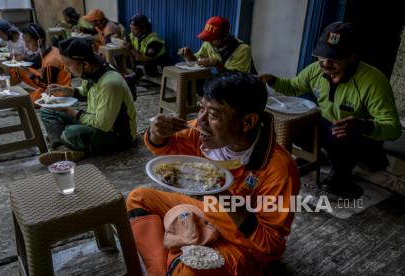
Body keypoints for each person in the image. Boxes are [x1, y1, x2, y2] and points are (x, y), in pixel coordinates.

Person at [127, 73, 300, 275]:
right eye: (202, 108)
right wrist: (157, 134)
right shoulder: (201, 133)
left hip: (243, 245)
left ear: (247, 122)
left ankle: (174, 265)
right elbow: (164, 147)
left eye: (214, 115)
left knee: (189, 272)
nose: (200, 121)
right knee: (138, 198)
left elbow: (270, 244)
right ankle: (162, 270)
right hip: (207, 211)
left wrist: (222, 195)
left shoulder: (279, 169)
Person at [258, 22, 401, 199]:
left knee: (339, 135)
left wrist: (363, 126)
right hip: (327, 124)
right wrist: (270, 79)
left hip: (360, 135)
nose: (325, 62)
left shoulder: (374, 81)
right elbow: (293, 86)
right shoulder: (315, 70)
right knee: (297, 126)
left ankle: (341, 176)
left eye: (335, 57)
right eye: (322, 55)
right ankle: (317, 155)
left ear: (352, 55)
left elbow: (393, 129)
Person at [38, 37, 137, 166]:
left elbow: (102, 125)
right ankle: (62, 148)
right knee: (47, 111)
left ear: (85, 64)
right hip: (95, 121)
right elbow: (84, 92)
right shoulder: (91, 71)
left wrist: (69, 111)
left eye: (68, 65)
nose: (66, 70)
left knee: (70, 133)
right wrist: (65, 89)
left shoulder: (110, 83)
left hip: (117, 136)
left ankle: (68, 144)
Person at [10, 23, 71, 102]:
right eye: (25, 42)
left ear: (40, 41)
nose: (26, 45)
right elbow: (37, 61)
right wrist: (23, 59)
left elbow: (48, 86)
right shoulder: (51, 49)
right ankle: (11, 90)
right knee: (18, 68)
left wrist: (31, 75)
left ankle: (14, 95)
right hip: (48, 82)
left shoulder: (51, 61)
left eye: (28, 42)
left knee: (21, 102)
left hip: (57, 93)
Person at [178, 16, 255, 74]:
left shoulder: (243, 50)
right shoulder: (208, 43)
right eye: (208, 38)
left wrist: (216, 64)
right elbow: (197, 61)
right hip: (216, 84)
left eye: (213, 38)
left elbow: (237, 78)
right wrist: (189, 56)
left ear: (225, 37)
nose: (209, 41)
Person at [123, 13, 168, 83]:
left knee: (144, 66)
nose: (132, 31)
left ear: (144, 29)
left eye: (135, 29)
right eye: (131, 28)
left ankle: (129, 80)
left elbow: (145, 59)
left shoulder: (154, 40)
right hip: (145, 63)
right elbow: (127, 39)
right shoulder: (134, 35)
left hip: (160, 65)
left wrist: (131, 48)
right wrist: (122, 41)